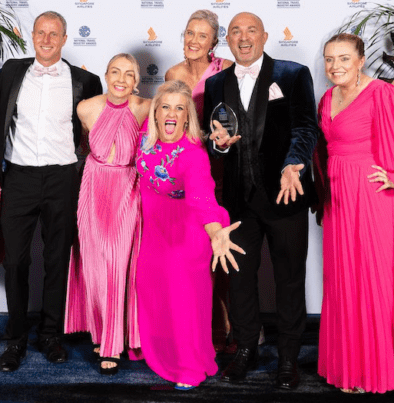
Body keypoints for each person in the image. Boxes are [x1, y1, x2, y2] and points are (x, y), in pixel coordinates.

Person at [315, 33, 394, 394]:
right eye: (329, 59)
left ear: (361, 60)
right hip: (339, 197)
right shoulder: (327, 97)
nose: (335, 66)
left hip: (374, 196)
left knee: (374, 276)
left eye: (344, 58)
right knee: (345, 279)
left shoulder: (382, 93)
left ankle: (378, 370)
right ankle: (352, 367)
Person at [203, 12, 318, 388]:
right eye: (235, 31)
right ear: (228, 40)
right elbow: (212, 139)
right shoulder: (216, 83)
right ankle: (245, 349)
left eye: (251, 30)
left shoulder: (293, 74)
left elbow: (305, 127)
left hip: (286, 195)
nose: (243, 37)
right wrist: (219, 145)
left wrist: (293, 164)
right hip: (239, 202)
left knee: (289, 280)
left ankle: (288, 358)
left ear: (265, 36)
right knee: (239, 281)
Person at [0, 10, 103, 373]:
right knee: (15, 261)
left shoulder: (86, 81)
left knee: (58, 260)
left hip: (62, 178)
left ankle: (51, 335)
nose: (47, 39)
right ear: (32, 36)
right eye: (41, 32)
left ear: (65, 39)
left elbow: (98, 128)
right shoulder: (11, 71)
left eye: (54, 34)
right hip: (18, 176)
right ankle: (16, 339)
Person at [133, 79, 243, 390]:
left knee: (184, 301)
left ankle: (189, 366)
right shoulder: (145, 136)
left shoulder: (193, 154)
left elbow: (202, 198)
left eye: (179, 108)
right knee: (154, 294)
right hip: (154, 229)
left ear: (186, 117)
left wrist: (216, 232)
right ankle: (162, 352)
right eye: (165, 107)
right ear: (156, 113)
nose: (171, 113)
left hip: (187, 231)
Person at [64, 53, 149, 375]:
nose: (121, 79)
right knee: (95, 265)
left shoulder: (146, 107)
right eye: (116, 72)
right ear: (106, 74)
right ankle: (101, 333)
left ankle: (113, 344)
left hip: (127, 188)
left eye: (129, 74)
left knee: (116, 263)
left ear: (136, 81)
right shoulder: (85, 108)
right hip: (93, 187)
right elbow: (81, 146)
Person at [164, 9, 234, 351]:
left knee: (219, 242)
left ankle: (226, 324)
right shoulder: (173, 73)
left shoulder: (227, 70)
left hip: (220, 167)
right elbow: (168, 121)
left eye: (202, 35)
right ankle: (194, 325)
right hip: (184, 169)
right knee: (191, 250)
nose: (193, 40)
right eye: (189, 33)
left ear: (214, 42)